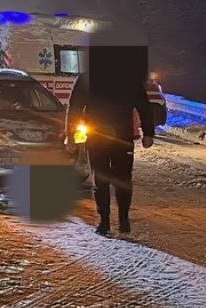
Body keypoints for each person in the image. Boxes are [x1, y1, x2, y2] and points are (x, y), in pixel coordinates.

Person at [66, 36, 155, 236]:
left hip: (106, 138)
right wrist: (148, 133)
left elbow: (75, 109)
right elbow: (144, 107)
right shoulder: (120, 78)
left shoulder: (91, 78)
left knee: (106, 180)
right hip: (112, 138)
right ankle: (114, 221)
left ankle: (110, 222)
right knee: (116, 180)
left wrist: (70, 135)